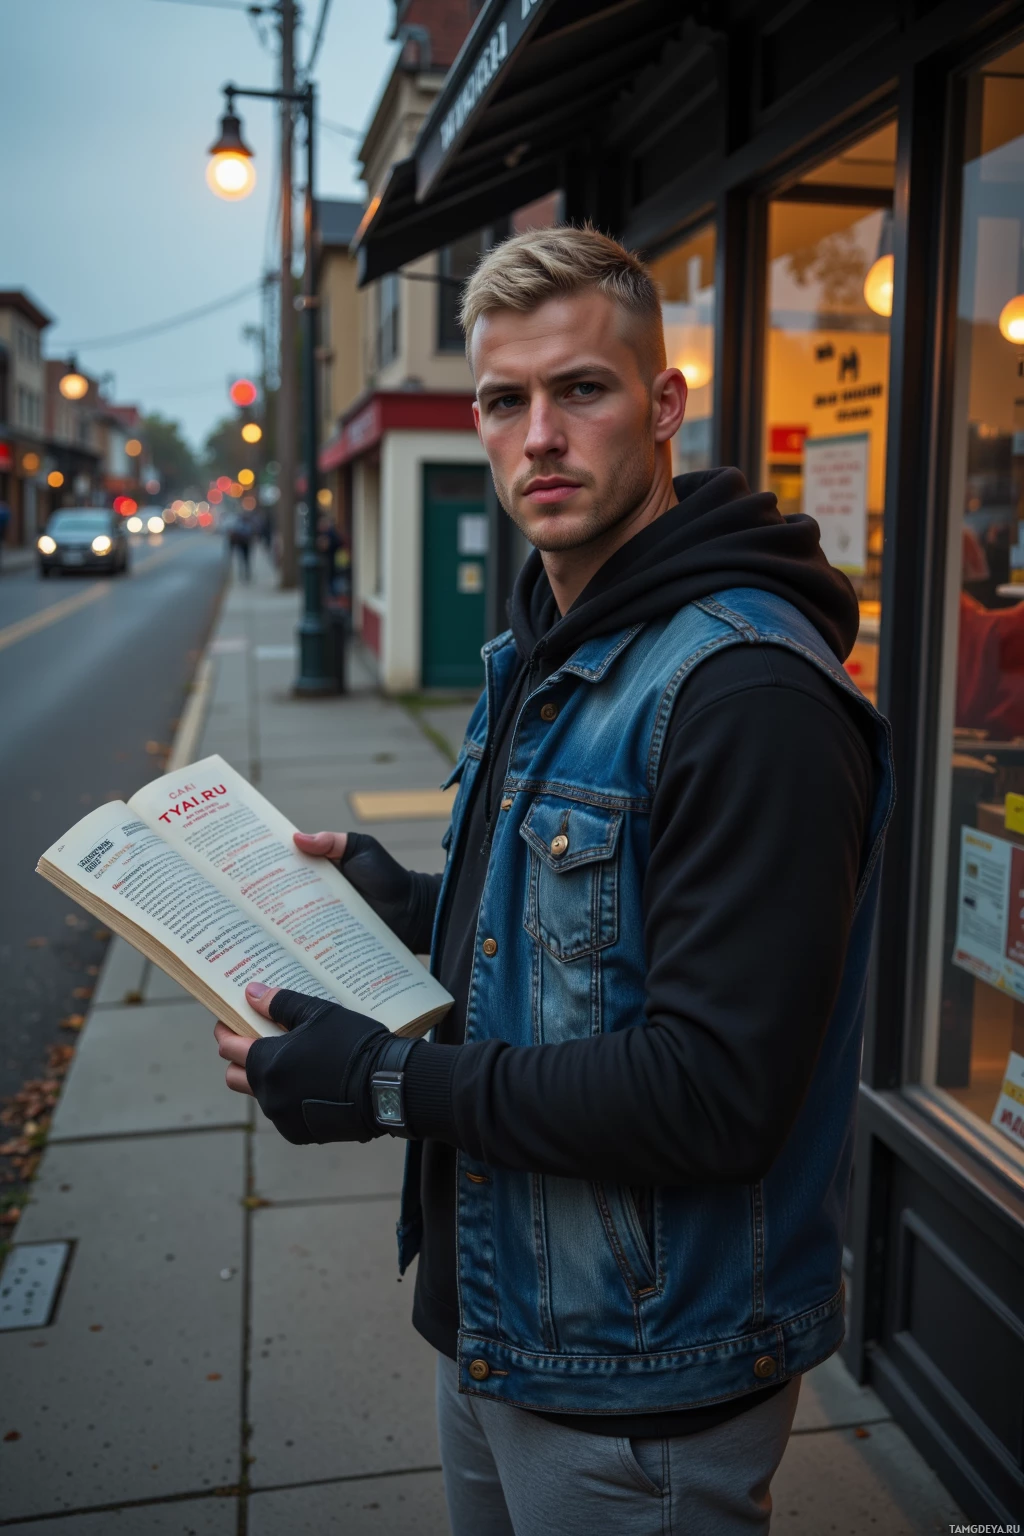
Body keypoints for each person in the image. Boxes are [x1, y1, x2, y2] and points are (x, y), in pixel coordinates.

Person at [215, 226, 894, 1534]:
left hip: (640, 1376)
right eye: (503, 398)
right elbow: (576, 935)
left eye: (580, 389)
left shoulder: (745, 694)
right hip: (500, 1316)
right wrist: (395, 897)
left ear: (664, 404)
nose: (538, 434)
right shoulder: (549, 637)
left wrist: (385, 1083)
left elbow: (712, 1096)